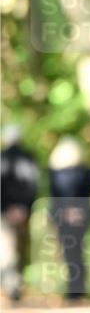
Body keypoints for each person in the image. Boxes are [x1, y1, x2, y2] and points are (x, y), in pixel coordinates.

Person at [48, 136, 90, 300]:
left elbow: (55, 195)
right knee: (78, 250)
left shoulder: (55, 173)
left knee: (69, 251)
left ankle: (74, 289)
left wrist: (65, 211)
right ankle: (78, 288)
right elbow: (88, 194)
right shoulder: (86, 171)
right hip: (81, 214)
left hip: (64, 215)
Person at [0, 124, 39, 302]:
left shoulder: (3, 158)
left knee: (9, 249)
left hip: (7, 212)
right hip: (21, 212)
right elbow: (32, 186)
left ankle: (13, 286)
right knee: (17, 249)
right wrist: (24, 207)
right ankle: (13, 287)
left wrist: (7, 208)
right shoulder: (28, 158)